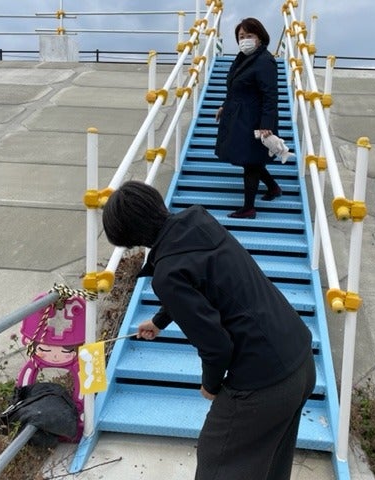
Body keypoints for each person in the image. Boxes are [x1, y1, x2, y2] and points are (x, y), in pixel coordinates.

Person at [102, 181, 316, 480]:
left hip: (264, 383)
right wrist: (160, 320)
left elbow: (217, 346)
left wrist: (211, 385)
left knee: (218, 460)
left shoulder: (167, 274)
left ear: (129, 237)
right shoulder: (199, 221)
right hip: (300, 360)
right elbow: (205, 280)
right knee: (271, 463)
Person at [215, 17, 282, 219]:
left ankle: (249, 208)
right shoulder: (243, 58)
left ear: (260, 38)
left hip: (255, 119)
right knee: (250, 159)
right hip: (240, 117)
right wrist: (224, 106)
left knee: (251, 161)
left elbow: (270, 96)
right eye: (241, 36)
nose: (244, 40)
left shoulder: (265, 61)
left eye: (249, 35)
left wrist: (266, 125)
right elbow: (236, 88)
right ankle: (273, 188)